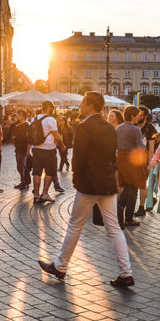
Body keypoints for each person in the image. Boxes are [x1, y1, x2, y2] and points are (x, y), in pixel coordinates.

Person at [37, 92, 134, 287]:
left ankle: (61, 266)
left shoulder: (83, 127)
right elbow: (112, 156)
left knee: (75, 224)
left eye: (82, 102)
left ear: (90, 105)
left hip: (89, 184)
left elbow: (78, 158)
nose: (80, 105)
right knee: (114, 228)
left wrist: (76, 178)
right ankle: (126, 272)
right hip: (106, 183)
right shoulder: (109, 127)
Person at [116, 106, 146, 227]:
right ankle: (128, 217)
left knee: (128, 186)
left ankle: (120, 209)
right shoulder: (135, 129)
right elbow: (140, 148)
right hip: (132, 159)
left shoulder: (119, 128)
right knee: (133, 187)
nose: (139, 117)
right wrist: (144, 143)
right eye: (138, 115)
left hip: (121, 158)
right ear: (133, 116)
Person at [30, 101, 65, 204]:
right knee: (49, 172)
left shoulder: (34, 118)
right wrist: (62, 146)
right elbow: (56, 135)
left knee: (37, 172)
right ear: (49, 108)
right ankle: (44, 194)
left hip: (36, 149)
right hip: (49, 150)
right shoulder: (51, 119)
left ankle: (36, 196)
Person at [12, 111, 31, 189]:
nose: (17, 116)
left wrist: (28, 150)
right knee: (19, 166)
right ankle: (23, 181)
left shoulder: (27, 125)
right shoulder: (17, 125)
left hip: (23, 148)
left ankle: (25, 182)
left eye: (19, 115)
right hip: (18, 148)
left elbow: (28, 138)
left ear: (23, 116)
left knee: (23, 166)